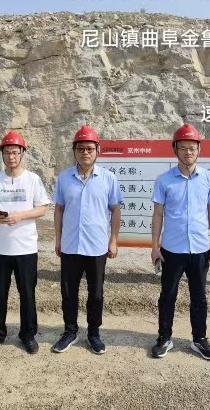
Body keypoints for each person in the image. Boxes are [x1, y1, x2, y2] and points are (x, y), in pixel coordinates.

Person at [150, 124, 210, 360]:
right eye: (183, 148)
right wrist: (155, 246)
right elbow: (158, 215)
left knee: (199, 296)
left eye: (192, 148)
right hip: (172, 249)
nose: (188, 152)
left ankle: (199, 339)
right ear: (175, 150)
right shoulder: (164, 180)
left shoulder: (209, 179)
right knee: (167, 295)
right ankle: (164, 337)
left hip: (200, 249)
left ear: (199, 150)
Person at [52, 125, 123, 354]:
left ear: (97, 151)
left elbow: (115, 210)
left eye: (90, 148)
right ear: (74, 151)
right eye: (80, 148)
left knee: (96, 293)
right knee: (68, 292)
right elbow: (59, 209)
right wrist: (58, 239)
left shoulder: (108, 178)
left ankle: (94, 333)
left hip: (97, 246)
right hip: (70, 244)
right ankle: (70, 331)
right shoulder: (65, 177)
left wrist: (113, 240)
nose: (85, 152)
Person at [0, 131, 50, 355]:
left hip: (26, 248)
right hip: (0, 249)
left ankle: (28, 335)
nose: (11, 157)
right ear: (2, 154)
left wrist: (20, 216)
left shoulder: (32, 179)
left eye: (15, 152)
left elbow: (42, 208)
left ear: (22, 154)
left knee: (27, 294)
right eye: (7, 152)